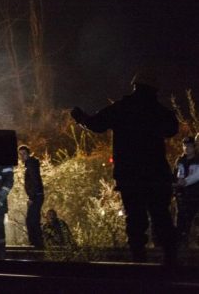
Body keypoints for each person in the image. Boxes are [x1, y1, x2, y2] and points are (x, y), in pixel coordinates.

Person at [71, 71, 178, 264]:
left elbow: (96, 124)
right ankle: (170, 258)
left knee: (135, 218)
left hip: (130, 175)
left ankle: (138, 260)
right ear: (154, 89)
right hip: (156, 174)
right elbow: (172, 129)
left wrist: (79, 117)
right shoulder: (160, 112)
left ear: (134, 86)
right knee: (161, 215)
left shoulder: (121, 108)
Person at [174, 135, 199, 246]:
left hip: (195, 194)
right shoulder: (180, 160)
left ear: (194, 147)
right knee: (181, 221)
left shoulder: (198, 160)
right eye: (185, 146)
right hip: (182, 195)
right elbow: (175, 175)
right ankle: (181, 244)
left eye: (189, 146)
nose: (186, 148)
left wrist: (186, 181)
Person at [18, 145, 45, 248]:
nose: (22, 156)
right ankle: (36, 244)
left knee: (31, 220)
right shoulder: (30, 164)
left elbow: (35, 181)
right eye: (20, 154)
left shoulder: (31, 164)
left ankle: (37, 244)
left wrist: (32, 198)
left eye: (24, 153)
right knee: (33, 219)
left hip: (36, 196)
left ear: (28, 154)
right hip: (37, 195)